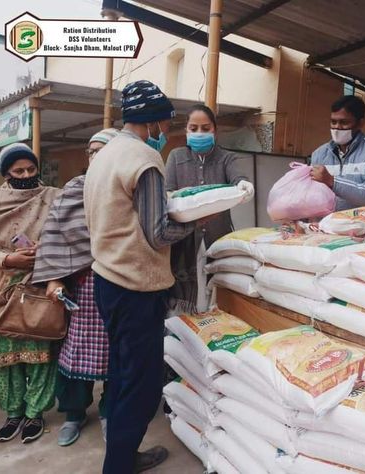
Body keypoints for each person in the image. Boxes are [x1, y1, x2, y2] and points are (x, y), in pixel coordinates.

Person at [84, 81, 198, 474]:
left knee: (121, 373)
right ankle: (118, 465)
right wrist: (198, 216)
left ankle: (121, 455)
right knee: (142, 383)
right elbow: (159, 232)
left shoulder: (104, 155)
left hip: (107, 279)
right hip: (135, 287)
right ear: (153, 121)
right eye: (167, 121)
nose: (167, 130)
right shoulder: (144, 160)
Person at [32, 129, 119, 447]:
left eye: (102, 150)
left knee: (117, 356)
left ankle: (112, 413)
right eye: (90, 150)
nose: (94, 156)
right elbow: (53, 234)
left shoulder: (128, 188)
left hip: (119, 283)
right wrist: (54, 278)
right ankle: (74, 414)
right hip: (81, 286)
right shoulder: (73, 190)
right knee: (76, 354)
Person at [0, 143, 60, 443]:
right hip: (2, 289)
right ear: (6, 173)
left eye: (31, 169)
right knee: (6, 357)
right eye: (18, 171)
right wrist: (8, 259)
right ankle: (13, 413)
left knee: (41, 354)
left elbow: (69, 234)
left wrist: (43, 251)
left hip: (40, 283)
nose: (26, 175)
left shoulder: (54, 198)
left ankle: (35, 413)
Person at [165, 104, 254, 313]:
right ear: (186, 129)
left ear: (215, 130)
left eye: (205, 128)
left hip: (217, 238)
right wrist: (181, 196)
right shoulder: (176, 158)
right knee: (186, 297)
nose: (199, 133)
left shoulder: (226, 158)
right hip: (184, 240)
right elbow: (167, 193)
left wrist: (243, 185)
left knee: (215, 295)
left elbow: (238, 178)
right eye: (193, 128)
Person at [309, 95, 365, 211]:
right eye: (333, 122)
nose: (337, 127)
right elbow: (310, 194)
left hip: (360, 226)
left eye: (344, 122)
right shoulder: (319, 153)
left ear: (360, 123)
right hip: (323, 226)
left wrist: (332, 182)